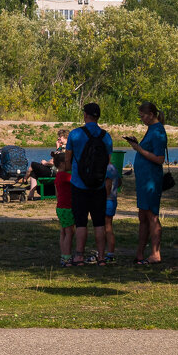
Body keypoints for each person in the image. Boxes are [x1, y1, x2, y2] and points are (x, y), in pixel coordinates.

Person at [67, 102, 113, 266]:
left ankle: (79, 256)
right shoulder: (106, 136)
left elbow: (67, 161)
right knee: (99, 222)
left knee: (81, 222)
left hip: (79, 185)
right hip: (99, 186)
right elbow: (108, 162)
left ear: (85, 115)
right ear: (98, 116)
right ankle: (101, 257)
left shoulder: (74, 134)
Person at [126, 101, 167, 265]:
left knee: (152, 216)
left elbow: (159, 158)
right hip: (143, 181)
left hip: (151, 180)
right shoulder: (151, 129)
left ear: (151, 115)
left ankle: (156, 253)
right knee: (142, 215)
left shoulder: (158, 132)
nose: (141, 119)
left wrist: (139, 149)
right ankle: (140, 253)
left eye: (143, 116)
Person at [27, 129, 69, 200]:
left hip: (56, 171)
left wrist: (45, 163)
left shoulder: (65, 147)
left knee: (33, 164)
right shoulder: (63, 147)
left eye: (60, 137)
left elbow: (54, 162)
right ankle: (30, 195)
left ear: (65, 137)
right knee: (34, 172)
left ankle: (24, 179)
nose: (58, 138)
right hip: (56, 170)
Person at [53, 150, 74, 267]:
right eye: (68, 163)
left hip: (60, 207)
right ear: (62, 164)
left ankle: (64, 255)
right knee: (69, 233)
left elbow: (57, 194)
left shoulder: (58, 176)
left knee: (64, 232)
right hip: (67, 207)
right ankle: (67, 257)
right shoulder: (65, 176)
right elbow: (76, 181)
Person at [102, 159, 119, 264]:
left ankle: (110, 253)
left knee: (107, 227)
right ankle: (106, 252)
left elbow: (107, 188)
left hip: (107, 201)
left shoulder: (107, 169)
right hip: (113, 199)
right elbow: (119, 182)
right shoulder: (113, 168)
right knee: (106, 227)